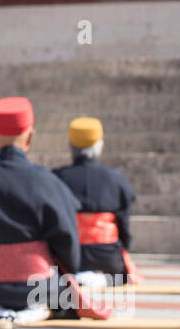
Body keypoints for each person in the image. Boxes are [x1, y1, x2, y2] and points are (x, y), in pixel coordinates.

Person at [0, 97, 84, 328]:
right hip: (39, 286)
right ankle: (27, 311)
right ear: (30, 136)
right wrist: (68, 269)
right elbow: (67, 239)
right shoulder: (46, 180)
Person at [53, 117, 136, 287]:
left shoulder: (56, 178)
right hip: (107, 258)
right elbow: (123, 225)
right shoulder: (116, 179)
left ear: (70, 146)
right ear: (100, 146)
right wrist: (124, 246)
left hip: (68, 258)